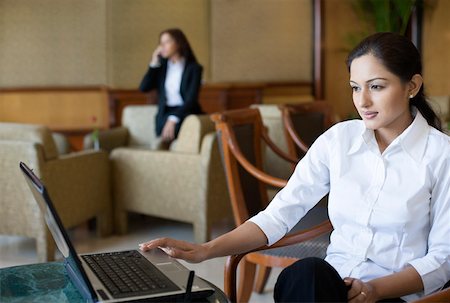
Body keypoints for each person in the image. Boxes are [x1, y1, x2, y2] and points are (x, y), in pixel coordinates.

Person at [139, 32, 450, 302]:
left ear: (412, 86)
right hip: (329, 287)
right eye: (355, 87)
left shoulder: (441, 156)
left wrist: (374, 291)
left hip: (393, 294)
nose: (363, 101)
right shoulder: (339, 140)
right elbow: (278, 216)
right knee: (307, 274)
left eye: (377, 87)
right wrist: (205, 250)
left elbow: (443, 259)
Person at [139, 28, 203, 145]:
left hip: (186, 112)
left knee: (178, 130)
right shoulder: (161, 68)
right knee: (161, 133)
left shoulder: (194, 69)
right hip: (164, 112)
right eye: (161, 43)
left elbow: (191, 100)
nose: (162, 46)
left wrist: (173, 119)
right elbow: (144, 87)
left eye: (166, 42)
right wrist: (153, 63)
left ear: (178, 43)